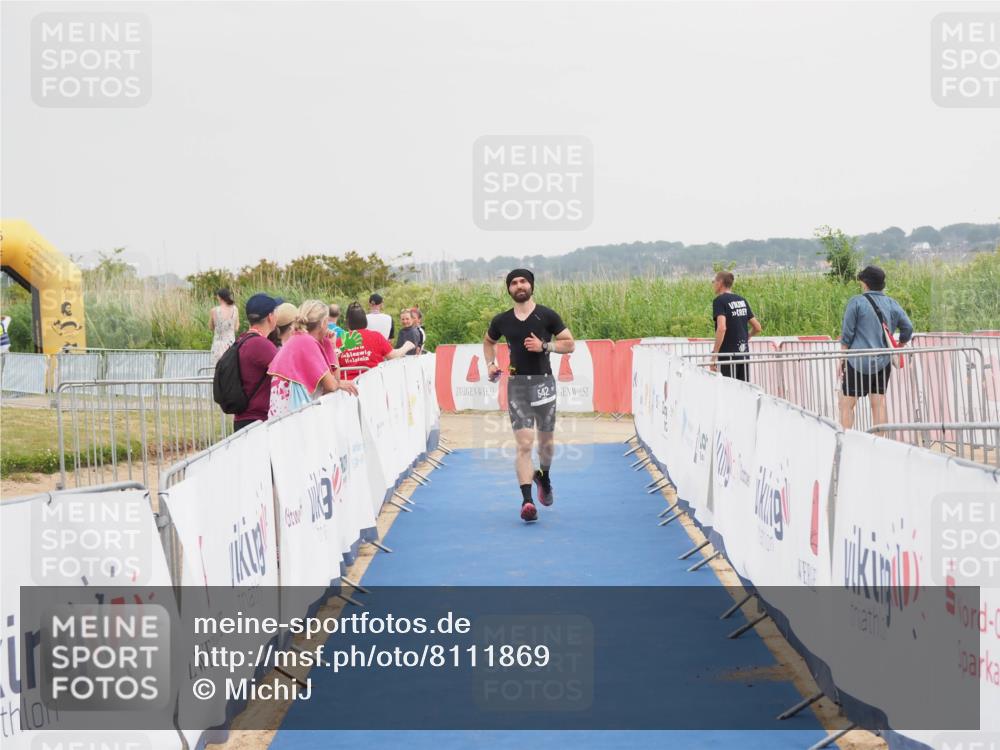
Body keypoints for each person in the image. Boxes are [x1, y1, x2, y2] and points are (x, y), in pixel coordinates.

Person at [484, 269, 575, 523]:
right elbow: (489, 342)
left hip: (544, 383)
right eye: (514, 283)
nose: (519, 286)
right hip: (517, 385)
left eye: (523, 281)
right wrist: (490, 364)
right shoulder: (502, 320)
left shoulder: (546, 315)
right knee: (524, 444)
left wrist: (545, 346)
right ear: (509, 289)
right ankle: (527, 501)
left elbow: (570, 343)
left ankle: (544, 476)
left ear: (531, 285)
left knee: (546, 444)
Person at [838, 265, 913, 429]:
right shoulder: (892, 303)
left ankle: (846, 441)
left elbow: (847, 334)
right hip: (883, 362)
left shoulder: (856, 302)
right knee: (878, 404)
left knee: (846, 404)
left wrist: (841, 360)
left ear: (865, 283)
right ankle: (879, 443)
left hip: (857, 362)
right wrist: (900, 345)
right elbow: (908, 327)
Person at [267, 299, 358, 419]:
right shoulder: (306, 341)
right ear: (324, 322)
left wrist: (331, 345)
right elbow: (331, 385)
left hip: (285, 415)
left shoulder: (300, 338)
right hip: (290, 418)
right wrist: (339, 384)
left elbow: (334, 379)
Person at [232, 293, 281, 432]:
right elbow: (286, 372)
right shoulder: (261, 345)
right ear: (271, 317)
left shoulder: (242, 339)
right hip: (257, 421)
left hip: (243, 419)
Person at [337, 302, 415, 379]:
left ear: (347, 322)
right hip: (373, 384)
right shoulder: (376, 336)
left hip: (348, 387)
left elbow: (332, 366)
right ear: (365, 320)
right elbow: (393, 356)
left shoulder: (339, 341)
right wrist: (407, 346)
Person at [710, 271, 762, 382]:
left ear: (720, 283)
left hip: (728, 356)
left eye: (714, 281)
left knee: (729, 391)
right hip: (744, 355)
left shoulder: (719, 301)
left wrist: (714, 356)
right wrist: (747, 337)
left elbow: (722, 327)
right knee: (744, 390)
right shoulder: (742, 300)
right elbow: (757, 327)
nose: (713, 284)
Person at [209, 288, 239, 364]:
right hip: (231, 344)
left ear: (219, 297)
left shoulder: (214, 310)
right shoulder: (235, 309)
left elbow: (211, 327)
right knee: (229, 369)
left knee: (216, 369)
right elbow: (236, 328)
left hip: (218, 345)